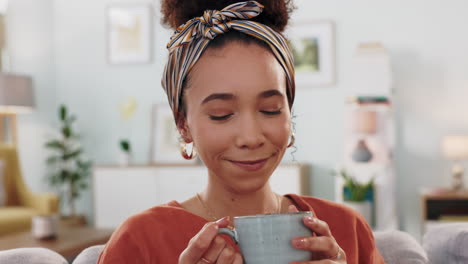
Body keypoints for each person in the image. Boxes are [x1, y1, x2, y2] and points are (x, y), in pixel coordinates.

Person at [98, 1, 385, 263]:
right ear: (183, 124)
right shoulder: (139, 242)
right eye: (221, 114)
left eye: (271, 109)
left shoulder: (347, 229)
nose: (250, 137)